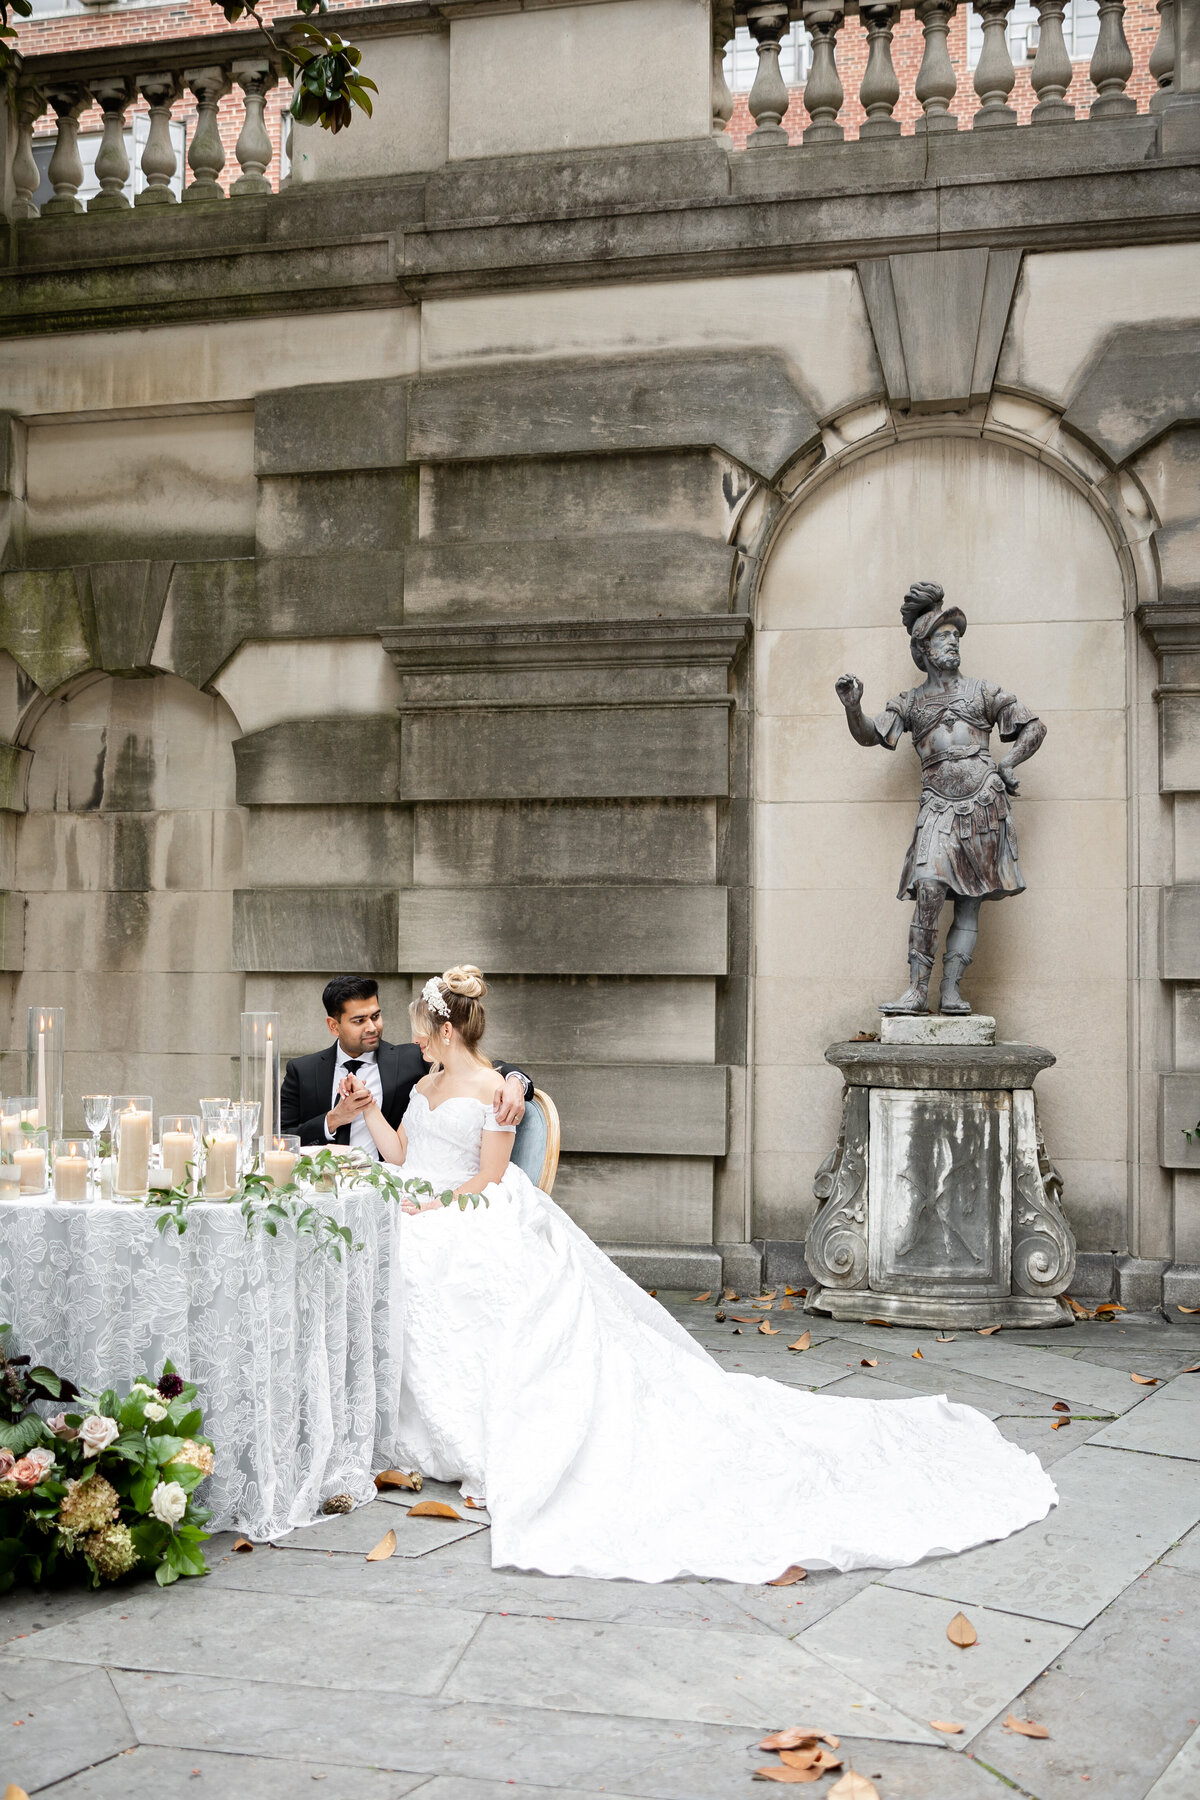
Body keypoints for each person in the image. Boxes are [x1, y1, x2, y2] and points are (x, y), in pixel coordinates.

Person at [346, 963, 1057, 1584]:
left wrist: (428, 1203)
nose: (411, 1042)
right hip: (420, 1202)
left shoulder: (499, 1089)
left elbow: (490, 1178)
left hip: (467, 1210)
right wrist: (373, 1114)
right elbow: (404, 1154)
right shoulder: (424, 1083)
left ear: (443, 1031)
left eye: (418, 1031)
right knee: (387, 1253)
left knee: (432, 1260)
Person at [835, 581, 1046, 1016]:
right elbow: (873, 735)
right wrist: (853, 708)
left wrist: (1009, 764)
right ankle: (916, 990)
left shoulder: (984, 691)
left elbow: (1034, 728)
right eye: (943, 636)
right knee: (929, 885)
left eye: (955, 635)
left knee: (970, 902)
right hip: (937, 806)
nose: (952, 642)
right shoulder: (911, 702)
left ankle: (950, 989)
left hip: (984, 805)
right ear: (924, 648)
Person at [278, 974, 531, 1157]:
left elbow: (474, 1063)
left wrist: (515, 1082)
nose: (372, 1027)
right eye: (359, 1020)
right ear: (334, 1026)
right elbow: (280, 1141)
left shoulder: (413, 1059)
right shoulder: (302, 1070)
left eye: (375, 1016)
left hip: (387, 1181)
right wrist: (333, 1119)